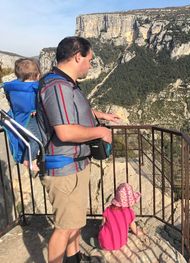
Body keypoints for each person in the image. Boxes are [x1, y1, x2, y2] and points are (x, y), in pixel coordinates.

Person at [37, 36, 120, 263]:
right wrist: (100, 132)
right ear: (77, 57)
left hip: (74, 166)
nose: (90, 65)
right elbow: (65, 131)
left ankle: (74, 258)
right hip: (65, 169)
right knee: (64, 228)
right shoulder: (58, 87)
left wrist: (100, 115)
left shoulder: (67, 84)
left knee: (74, 222)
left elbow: (74, 111)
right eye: (89, 59)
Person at [3, 58, 42, 171]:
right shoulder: (33, 87)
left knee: (27, 139)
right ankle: (28, 160)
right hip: (29, 118)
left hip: (17, 117)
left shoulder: (13, 87)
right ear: (36, 75)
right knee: (35, 139)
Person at [98, 183, 144, 252]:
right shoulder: (129, 212)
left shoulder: (108, 210)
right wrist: (138, 232)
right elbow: (133, 226)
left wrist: (100, 229)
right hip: (121, 243)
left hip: (105, 244)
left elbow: (102, 224)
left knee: (99, 235)